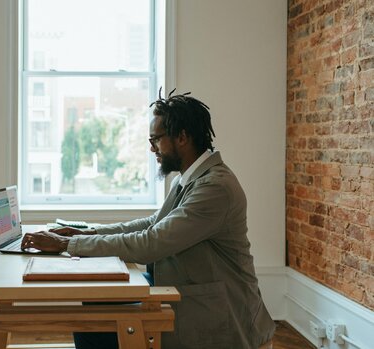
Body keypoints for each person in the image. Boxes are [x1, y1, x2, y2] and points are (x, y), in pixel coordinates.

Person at [21, 90, 275, 349]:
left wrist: (66, 246)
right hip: (185, 291)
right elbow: (152, 224)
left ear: (182, 137)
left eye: (155, 139)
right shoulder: (188, 179)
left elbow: (151, 243)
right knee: (93, 308)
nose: (151, 147)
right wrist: (84, 234)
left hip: (222, 317)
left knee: (94, 322)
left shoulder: (215, 188)